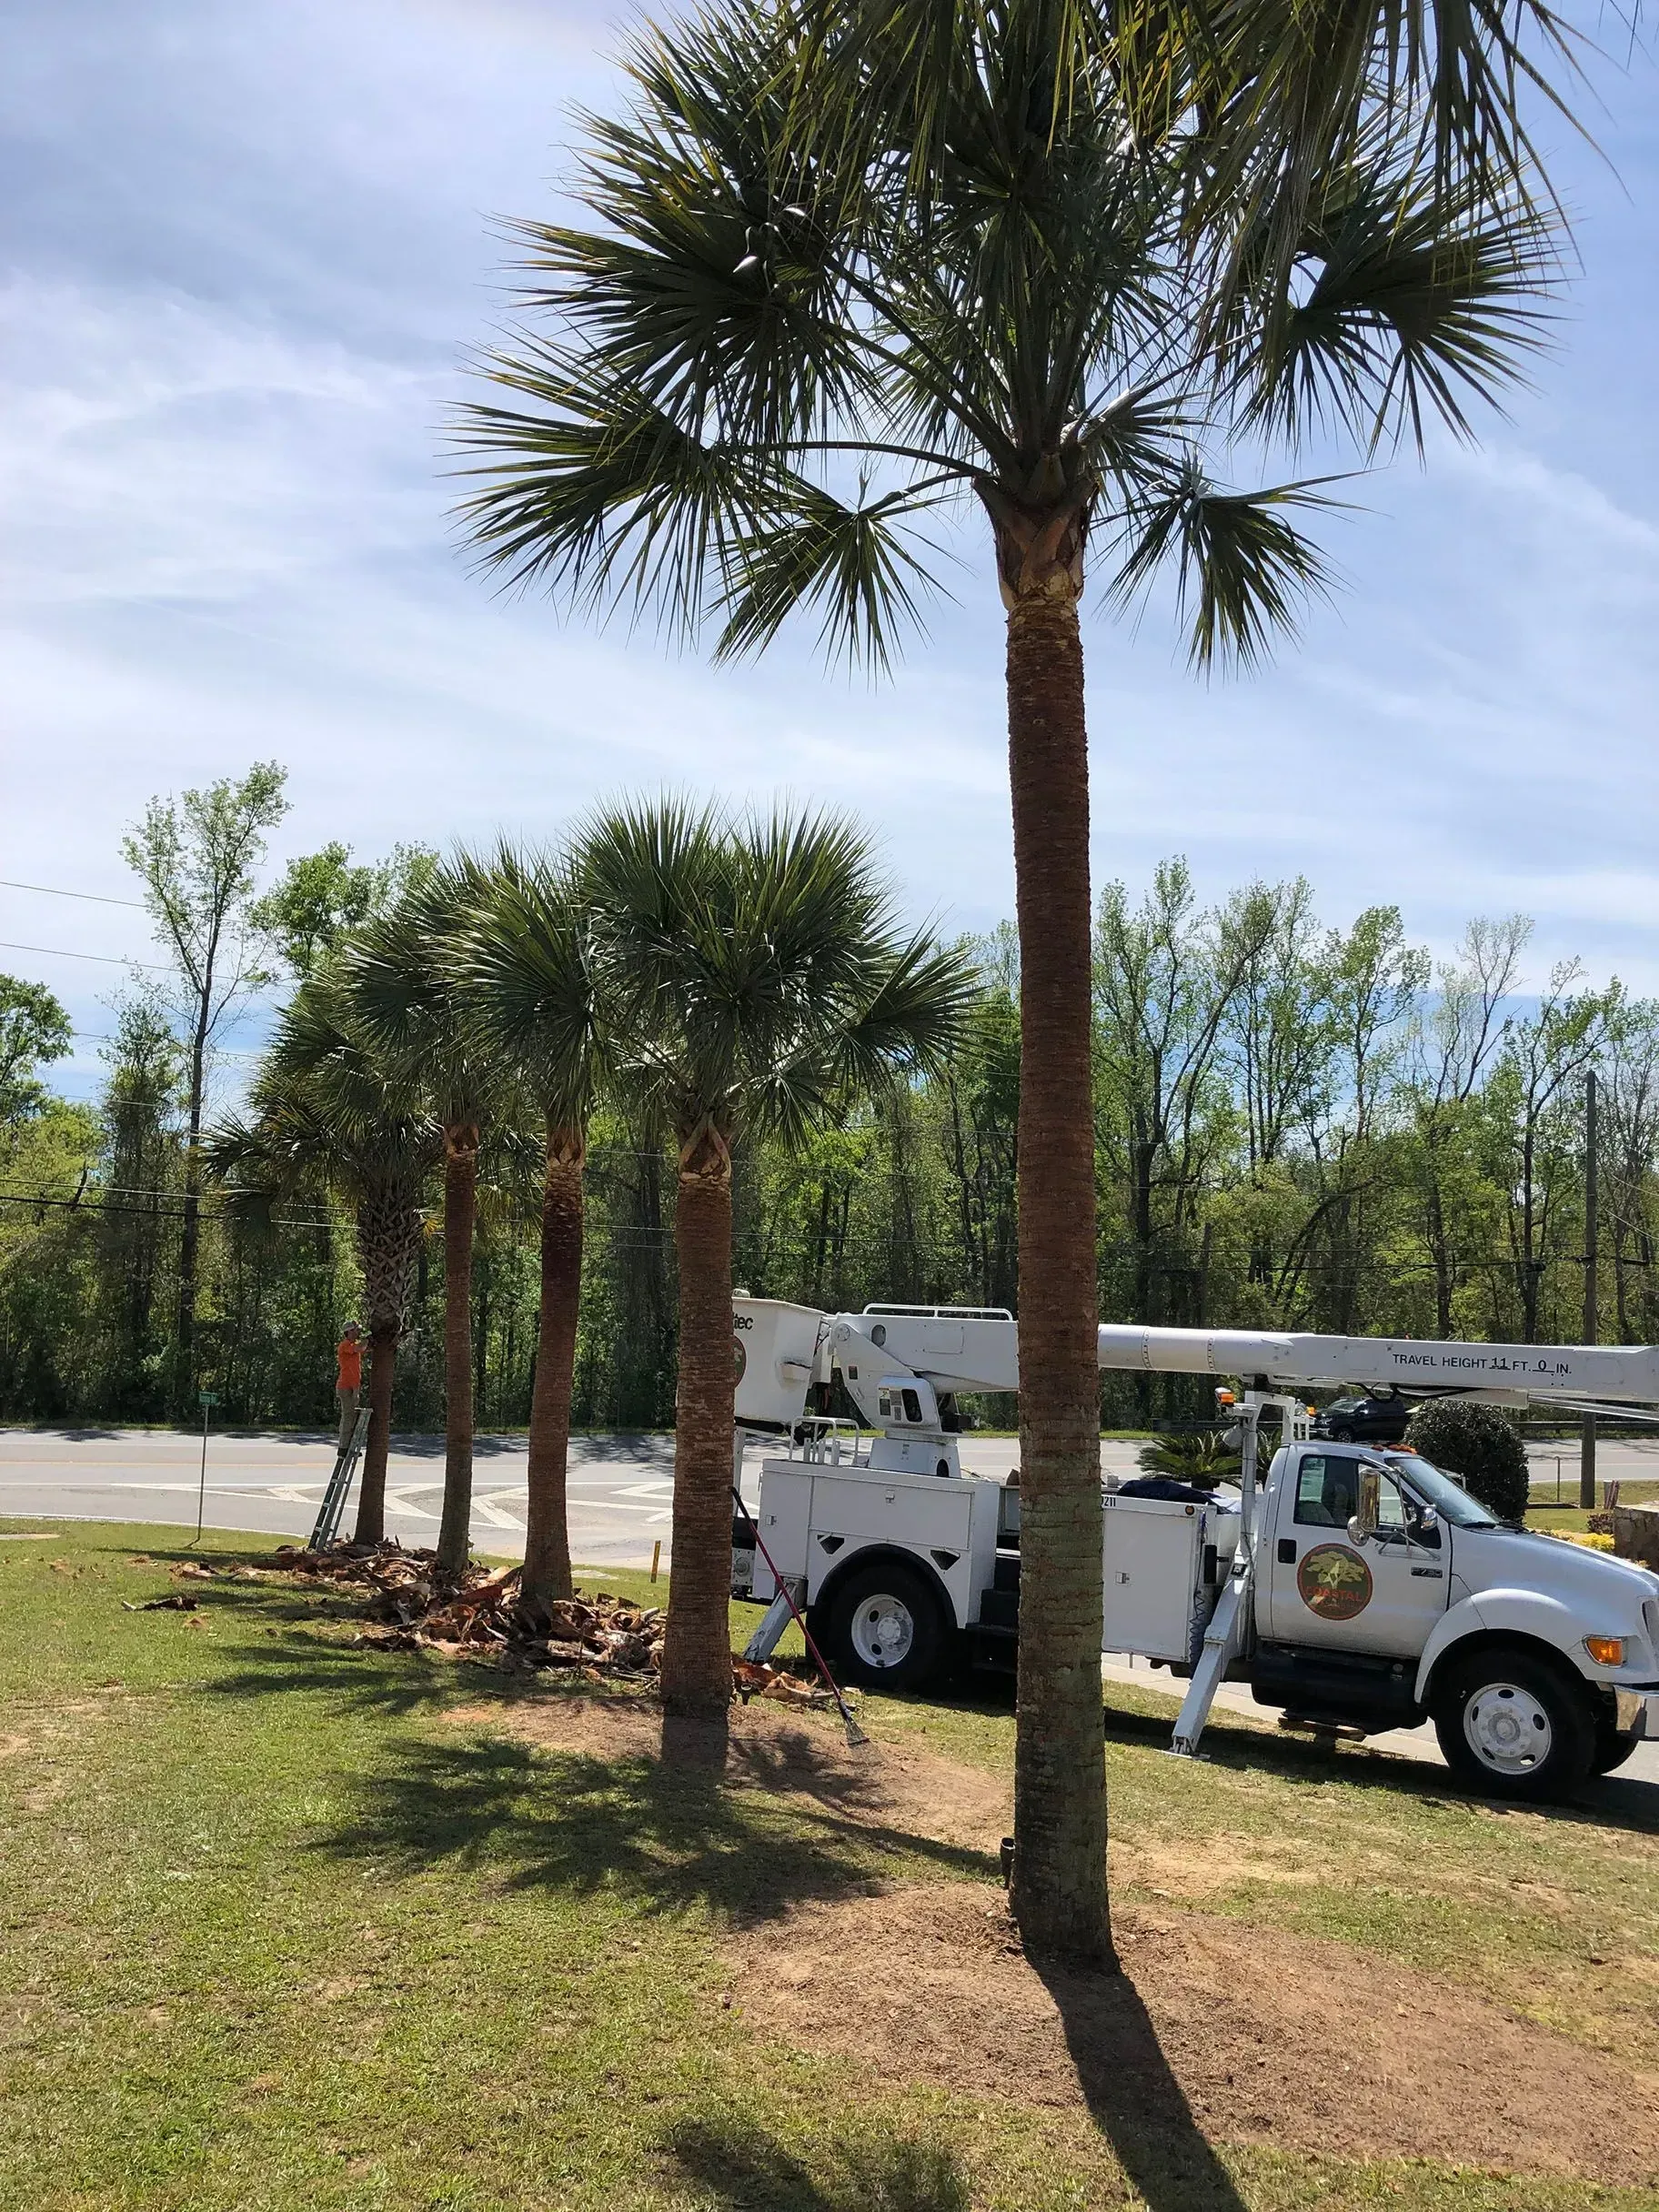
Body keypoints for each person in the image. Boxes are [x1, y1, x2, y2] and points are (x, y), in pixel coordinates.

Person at [335, 1323, 363, 1453]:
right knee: (348, 1416)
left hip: (354, 1386)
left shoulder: (354, 1345)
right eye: (356, 1330)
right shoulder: (345, 1345)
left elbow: (365, 1348)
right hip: (345, 1387)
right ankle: (343, 1447)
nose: (358, 1332)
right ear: (349, 1332)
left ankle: (350, 1444)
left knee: (353, 1416)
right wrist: (368, 1339)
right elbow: (360, 1347)